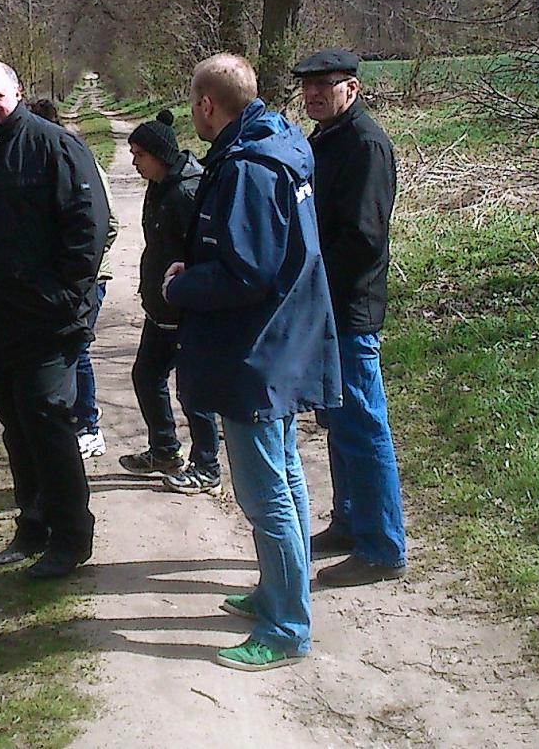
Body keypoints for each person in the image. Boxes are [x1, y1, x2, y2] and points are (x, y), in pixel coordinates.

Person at [163, 53, 340, 670]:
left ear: (208, 105)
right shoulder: (281, 142)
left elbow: (249, 270)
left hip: (259, 350)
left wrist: (180, 287)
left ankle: (287, 627)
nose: (192, 114)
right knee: (285, 476)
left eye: (193, 103)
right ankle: (277, 591)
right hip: (283, 340)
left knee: (266, 494)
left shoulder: (248, 167)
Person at [0, 60, 110, 579]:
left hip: (45, 324)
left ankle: (71, 537)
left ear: (16, 93)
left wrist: (60, 297)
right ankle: (32, 524)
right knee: (15, 428)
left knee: (46, 423)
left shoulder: (54, 146)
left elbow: (89, 229)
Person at [292, 49, 407, 587]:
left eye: (325, 85)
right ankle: (349, 522)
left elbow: (362, 240)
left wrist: (308, 280)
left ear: (352, 89)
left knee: (363, 423)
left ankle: (382, 547)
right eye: (308, 87)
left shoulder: (365, 144)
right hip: (324, 307)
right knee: (337, 422)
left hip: (352, 308)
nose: (314, 94)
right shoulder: (326, 139)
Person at [117, 110, 222, 496]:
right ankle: (164, 450)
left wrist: (187, 294)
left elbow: (204, 252)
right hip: (159, 310)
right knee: (146, 375)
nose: (133, 162)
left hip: (186, 311)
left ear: (160, 155)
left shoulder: (186, 192)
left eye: (139, 154)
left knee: (193, 389)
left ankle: (207, 464)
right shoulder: (159, 185)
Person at [27, 98, 118, 460]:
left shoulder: (79, 160)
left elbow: (107, 223)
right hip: (53, 281)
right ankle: (64, 423)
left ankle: (89, 427)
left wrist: (80, 269)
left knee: (77, 349)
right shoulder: (34, 166)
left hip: (88, 279)